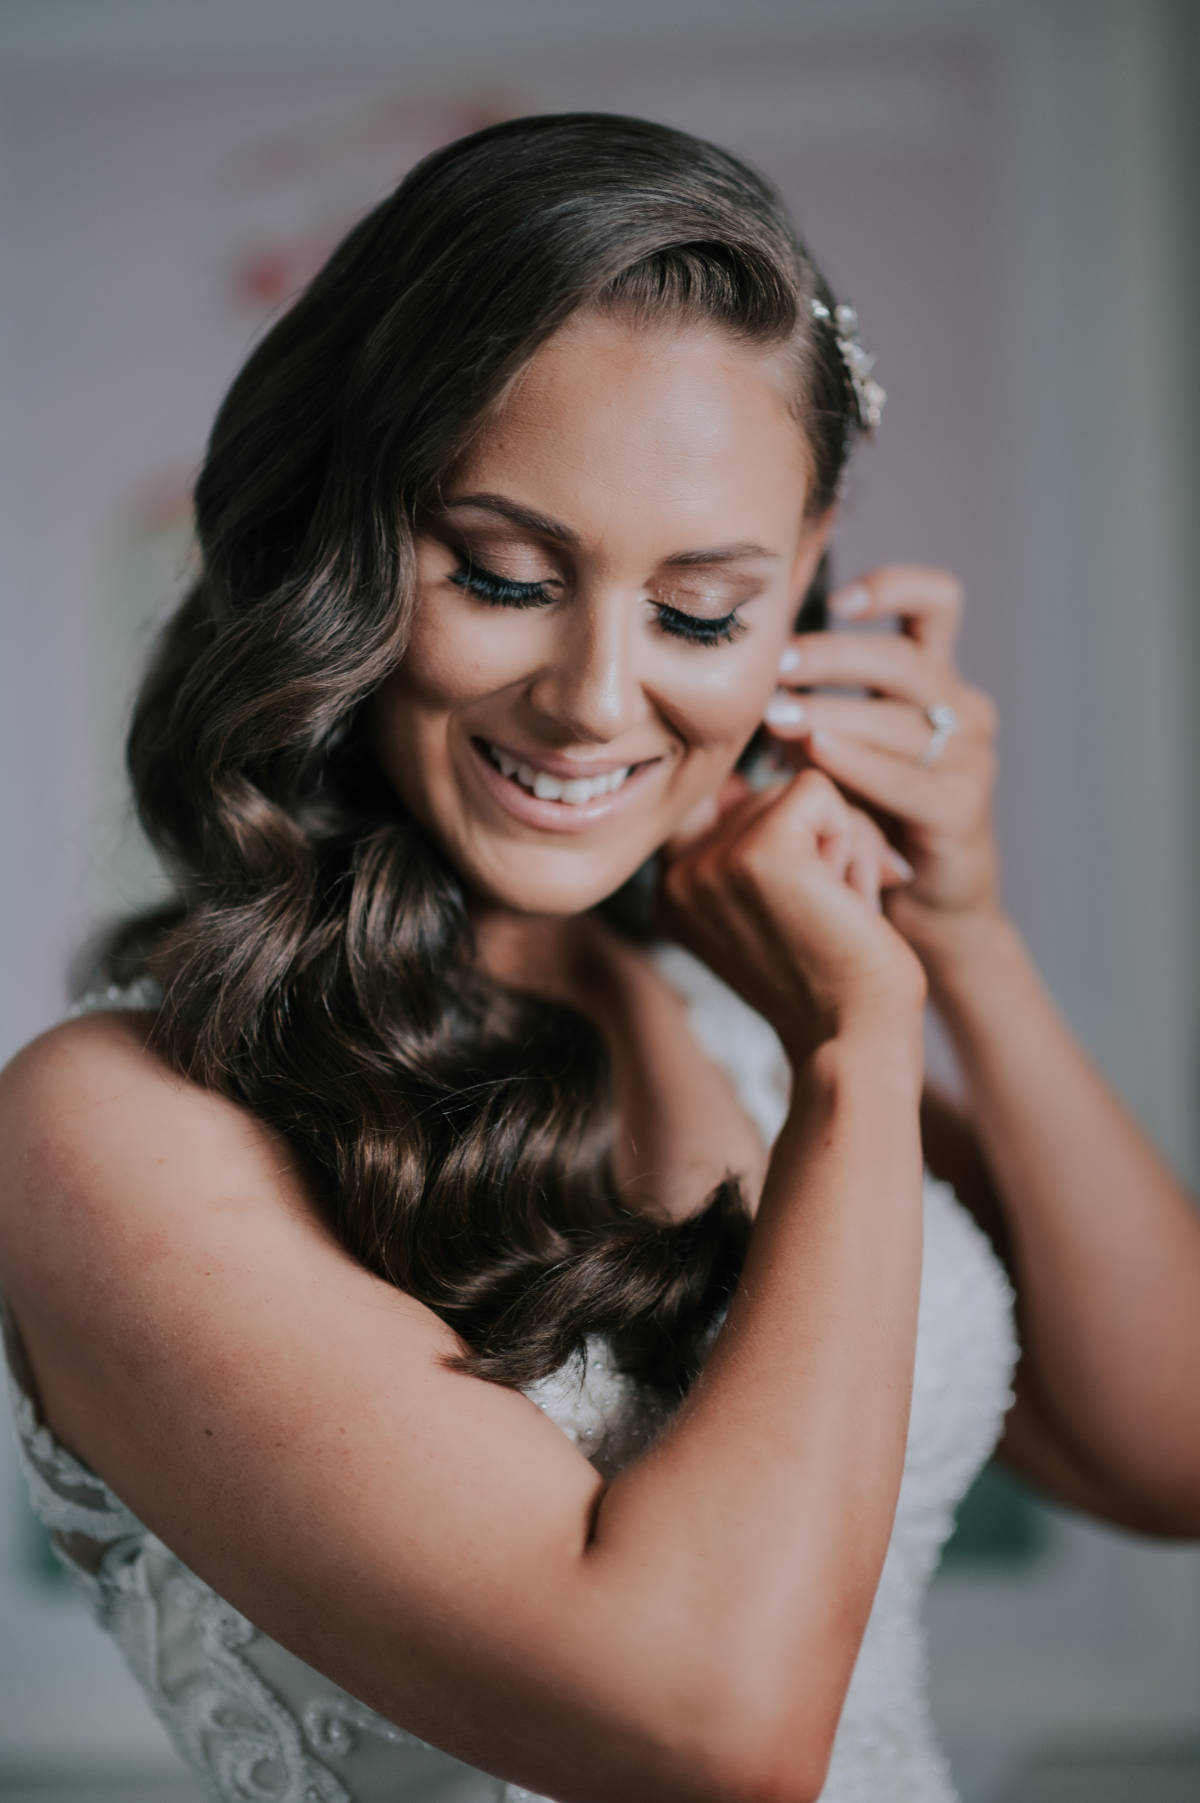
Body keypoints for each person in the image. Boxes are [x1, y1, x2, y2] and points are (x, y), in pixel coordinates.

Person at [0, 111, 1197, 1803]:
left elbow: (1168, 1452)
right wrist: (860, 1048)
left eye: (703, 611)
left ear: (806, 602)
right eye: (501, 573)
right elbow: (711, 1728)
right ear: (330, 550)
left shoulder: (725, 1003)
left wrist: (961, 937)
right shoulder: (107, 1132)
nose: (593, 698)